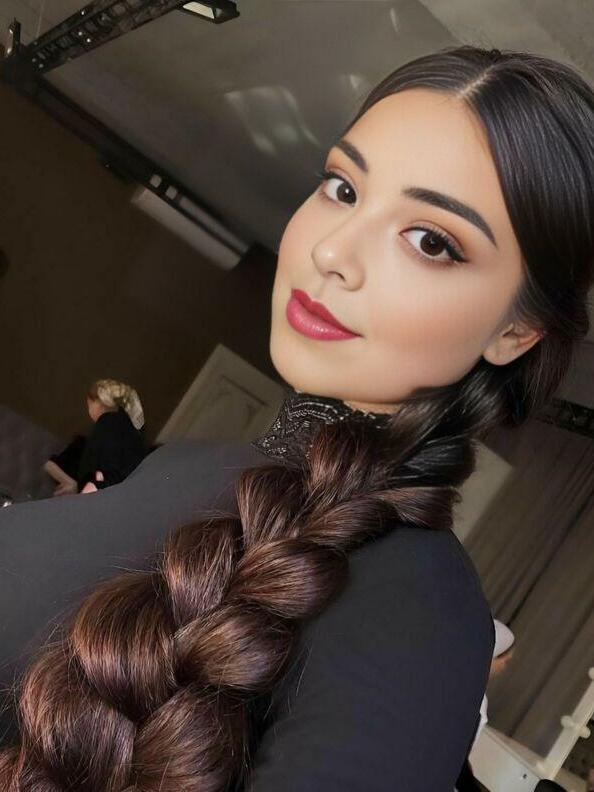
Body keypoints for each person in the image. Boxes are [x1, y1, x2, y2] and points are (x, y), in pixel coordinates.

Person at [0, 44, 593, 791]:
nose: (334, 251)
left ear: (516, 332)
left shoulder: (422, 619)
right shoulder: (184, 466)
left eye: (431, 241)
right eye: (343, 189)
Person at [455, 620, 516, 791]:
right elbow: (455, 759)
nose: (504, 668)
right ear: (491, 655)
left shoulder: (446, 677)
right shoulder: (477, 701)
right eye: (505, 661)